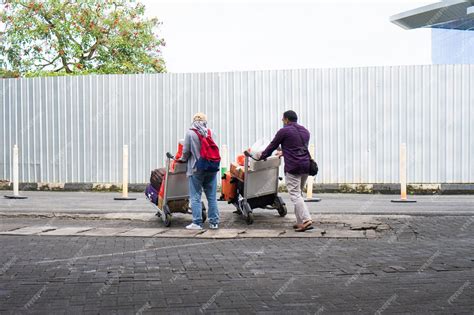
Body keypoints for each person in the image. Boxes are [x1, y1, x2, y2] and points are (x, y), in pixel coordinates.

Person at [259, 110, 313, 232]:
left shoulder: (284, 131)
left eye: (283, 120)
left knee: (294, 194)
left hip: (293, 166)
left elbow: (272, 145)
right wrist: (284, 152)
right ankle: (299, 222)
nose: (282, 122)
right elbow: (298, 148)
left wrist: (261, 157)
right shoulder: (305, 131)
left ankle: (306, 219)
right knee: (298, 193)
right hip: (306, 166)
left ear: (287, 119)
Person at [180, 113, 220, 230]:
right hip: (211, 167)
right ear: (205, 121)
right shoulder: (211, 132)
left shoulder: (190, 133)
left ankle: (197, 223)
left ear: (194, 121)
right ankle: (214, 222)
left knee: (196, 196)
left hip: (196, 168)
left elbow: (186, 151)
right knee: (212, 197)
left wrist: (182, 160)